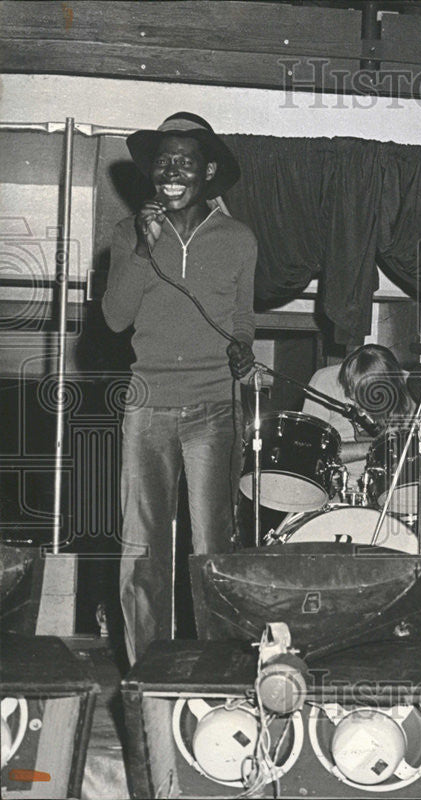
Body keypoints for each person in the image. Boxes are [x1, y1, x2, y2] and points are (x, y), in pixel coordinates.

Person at [102, 112, 256, 664]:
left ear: (206, 171)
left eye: (184, 161)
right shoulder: (128, 233)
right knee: (143, 544)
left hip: (215, 405)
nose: (171, 170)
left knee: (212, 543)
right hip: (147, 404)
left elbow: (242, 321)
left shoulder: (238, 239)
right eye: (162, 161)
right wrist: (144, 250)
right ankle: (148, 667)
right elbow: (116, 319)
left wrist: (242, 347)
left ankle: (217, 667)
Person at [301, 344, 415, 496]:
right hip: (338, 489)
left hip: (392, 490)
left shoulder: (412, 386)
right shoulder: (325, 381)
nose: (355, 403)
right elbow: (311, 451)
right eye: (351, 392)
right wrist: (375, 447)